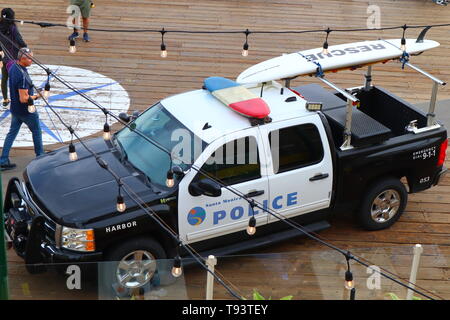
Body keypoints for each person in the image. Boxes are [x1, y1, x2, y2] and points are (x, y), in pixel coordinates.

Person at [0, 48, 43, 171]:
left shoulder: (13, 66)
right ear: (22, 59)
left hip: (15, 110)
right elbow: (24, 98)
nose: (32, 60)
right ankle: (40, 157)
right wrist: (37, 95)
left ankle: (3, 160)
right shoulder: (23, 76)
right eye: (30, 58)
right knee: (36, 131)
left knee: (11, 134)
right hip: (26, 111)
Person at [0, 8, 27, 109]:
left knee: (4, 79)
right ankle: (16, 100)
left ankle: (6, 99)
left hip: (4, 58)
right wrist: (26, 48)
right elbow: (19, 40)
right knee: (15, 80)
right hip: (14, 59)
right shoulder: (12, 28)